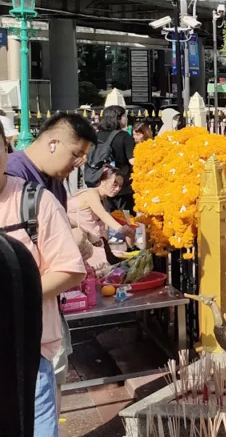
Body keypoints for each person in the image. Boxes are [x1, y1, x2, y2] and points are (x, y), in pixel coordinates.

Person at [0, 117, 87, 437]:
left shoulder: (34, 201)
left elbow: (70, 269)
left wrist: (14, 296)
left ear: (5, 148)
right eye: (76, 154)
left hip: (28, 351)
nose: (78, 164)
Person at [6, 112, 98, 209]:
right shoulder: (11, 174)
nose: (78, 163)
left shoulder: (56, 183)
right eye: (76, 155)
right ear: (53, 144)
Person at [67, 166, 136, 267]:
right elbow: (103, 215)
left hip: (93, 245)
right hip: (79, 245)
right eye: (114, 184)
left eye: (120, 186)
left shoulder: (103, 199)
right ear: (103, 181)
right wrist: (120, 228)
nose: (117, 189)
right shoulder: (90, 193)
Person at [96, 106, 136, 211]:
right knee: (125, 218)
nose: (126, 119)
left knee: (105, 216)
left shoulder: (97, 135)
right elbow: (133, 161)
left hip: (101, 182)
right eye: (124, 116)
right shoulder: (125, 136)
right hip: (121, 185)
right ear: (118, 118)